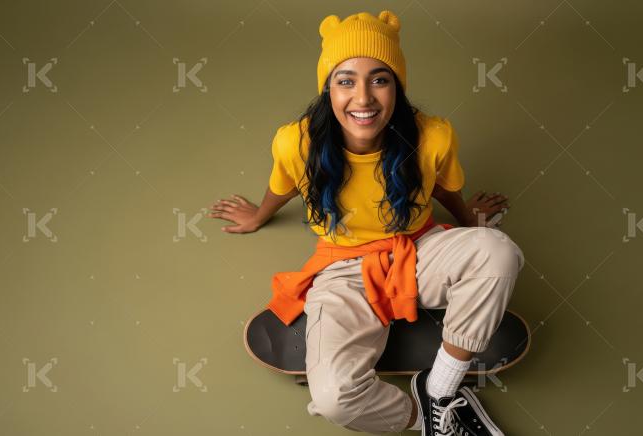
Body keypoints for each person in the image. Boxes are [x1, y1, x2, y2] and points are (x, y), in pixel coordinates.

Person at [210, 10, 525, 436]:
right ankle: (430, 419)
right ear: (328, 88)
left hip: (418, 250)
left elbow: (438, 185)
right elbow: (284, 186)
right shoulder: (295, 142)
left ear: (397, 86)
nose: (363, 98)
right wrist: (258, 216)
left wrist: (471, 218)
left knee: (498, 250)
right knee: (333, 399)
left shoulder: (433, 136)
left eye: (379, 79)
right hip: (341, 270)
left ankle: (439, 390)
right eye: (346, 81)